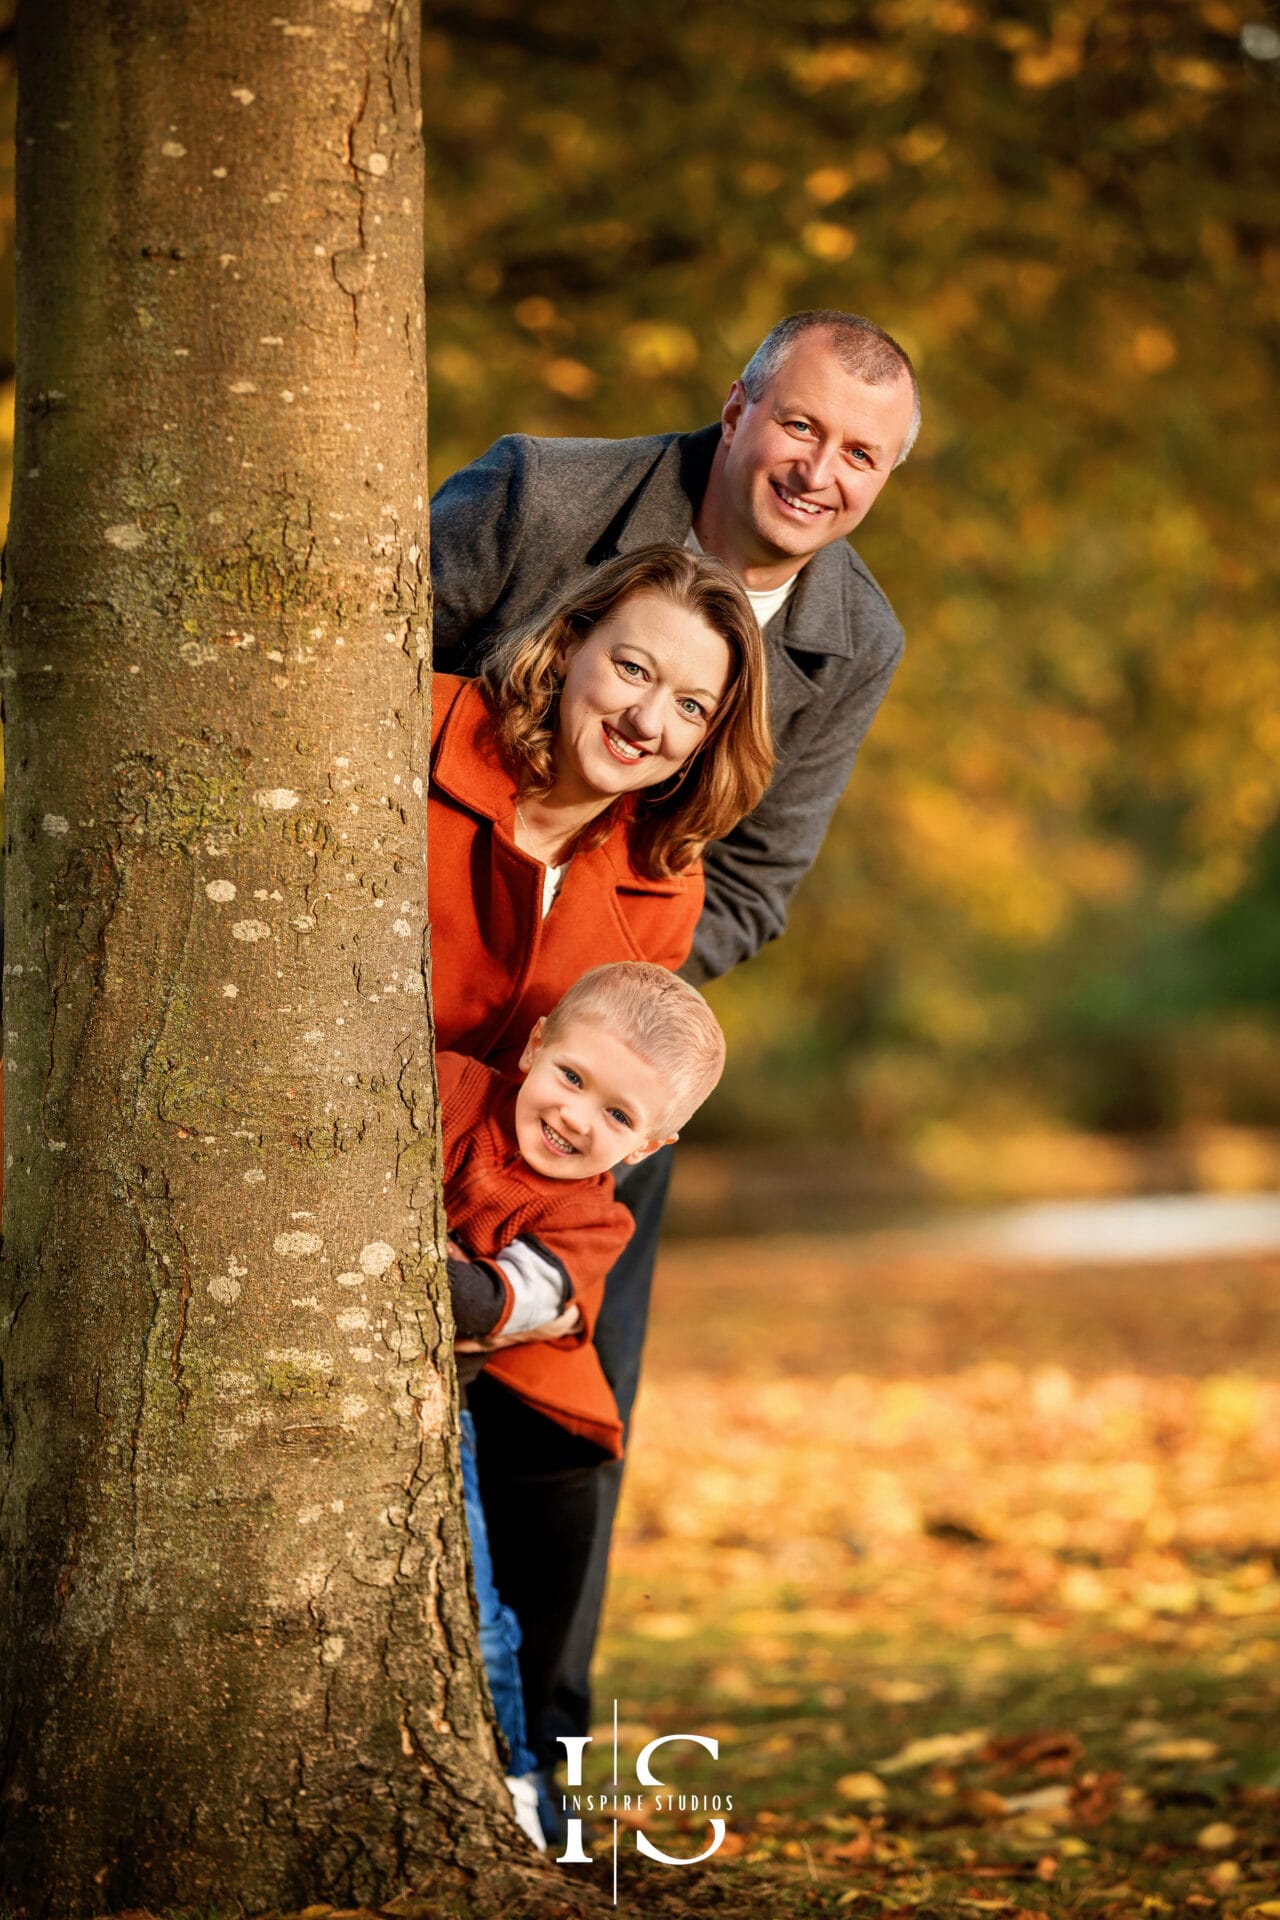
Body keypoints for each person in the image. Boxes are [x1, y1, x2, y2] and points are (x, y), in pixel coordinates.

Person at [429, 311, 921, 1789]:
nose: (818, 472)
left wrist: (593, 1011)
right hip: (406, 985)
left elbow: (756, 883)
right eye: (801, 427)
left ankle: (550, 1761)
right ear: (738, 408)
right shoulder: (543, 500)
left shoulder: (856, 639)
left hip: (593, 1051)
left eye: (861, 457)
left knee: (571, 1408)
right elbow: (336, 685)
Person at [440, 963, 727, 1850]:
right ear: (533, 1047)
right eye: (571, 1077)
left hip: (460, 1403)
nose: (574, 1118)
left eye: (618, 1116)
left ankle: (521, 1775)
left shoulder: (596, 1220)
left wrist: (434, 1273)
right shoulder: (450, 1087)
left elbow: (514, 1300)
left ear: (647, 1148)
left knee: (487, 1608)